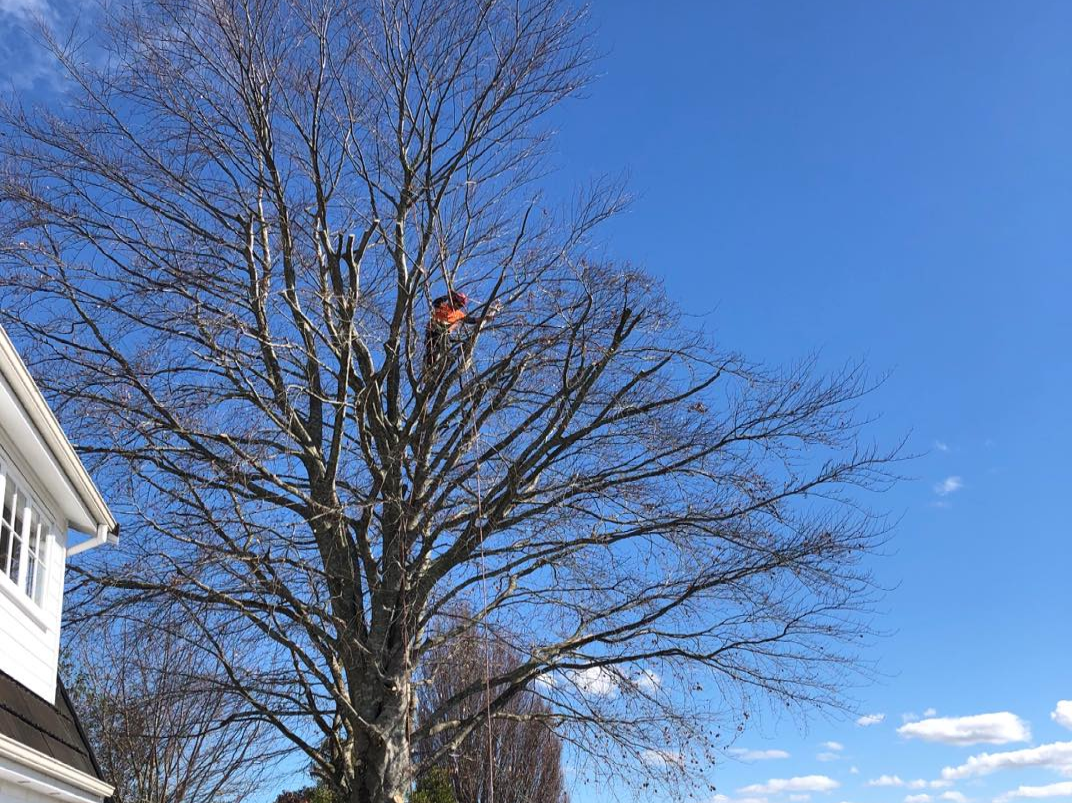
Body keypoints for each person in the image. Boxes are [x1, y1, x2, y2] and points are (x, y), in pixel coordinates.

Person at [423, 290, 494, 371]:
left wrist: (484, 318)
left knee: (445, 348)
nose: (458, 306)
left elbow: (470, 320)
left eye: (460, 305)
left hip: (445, 333)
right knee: (433, 349)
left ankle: (445, 363)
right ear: (453, 299)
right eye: (457, 303)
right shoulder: (443, 306)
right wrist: (448, 296)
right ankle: (429, 367)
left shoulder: (459, 314)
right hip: (434, 329)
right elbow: (435, 302)